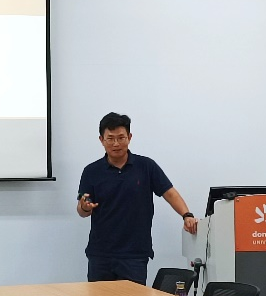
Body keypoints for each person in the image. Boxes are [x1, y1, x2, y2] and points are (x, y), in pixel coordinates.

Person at [77, 112, 197, 284]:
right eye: (110, 139)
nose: (116, 143)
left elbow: (169, 193)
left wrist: (187, 215)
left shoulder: (146, 166)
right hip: (101, 254)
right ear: (101, 140)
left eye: (121, 138)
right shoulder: (91, 171)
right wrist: (84, 207)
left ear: (130, 137)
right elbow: (82, 210)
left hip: (134, 254)